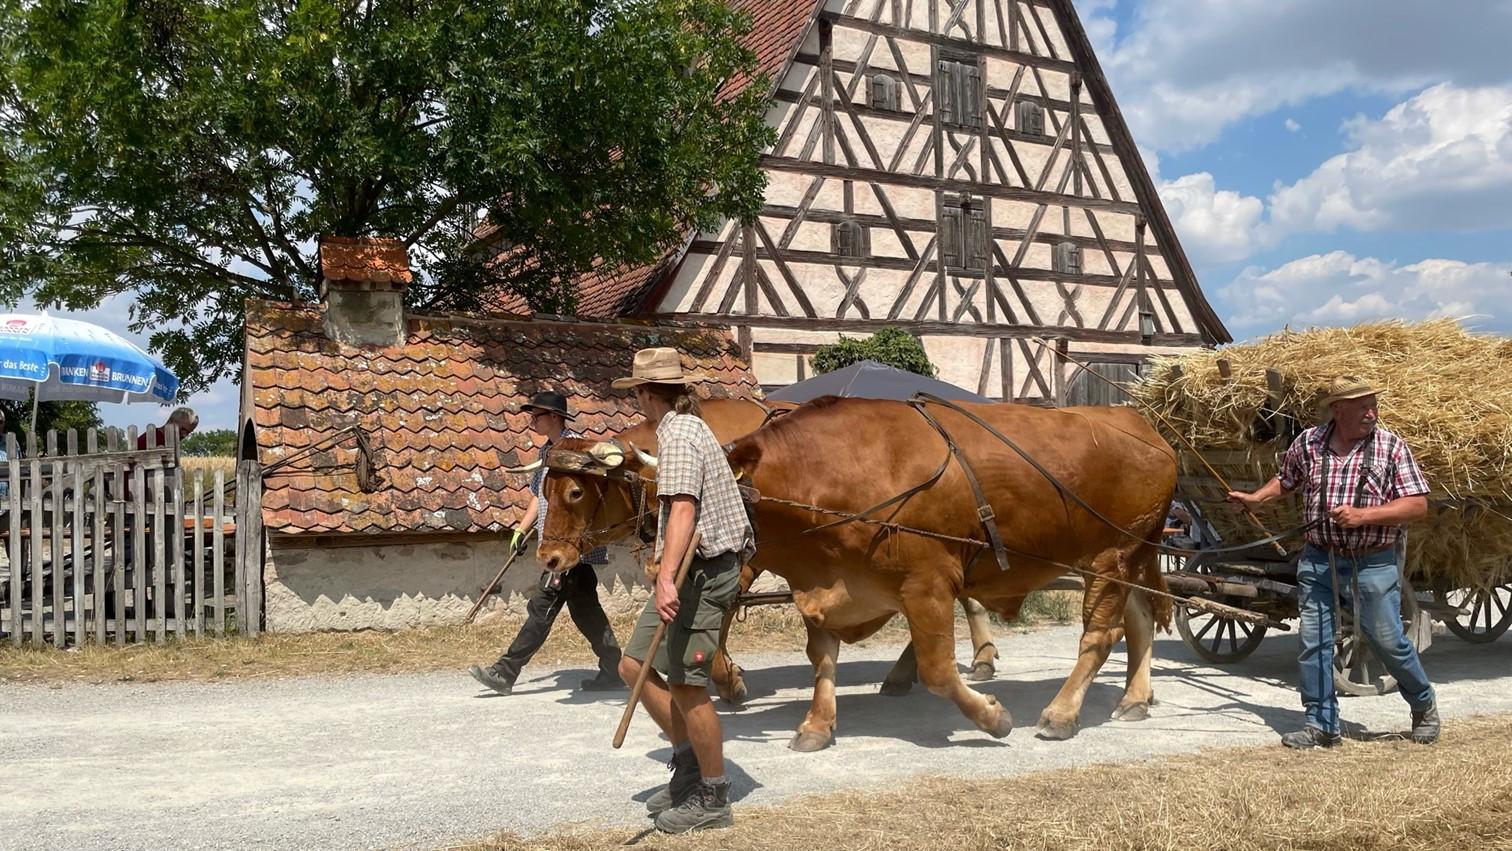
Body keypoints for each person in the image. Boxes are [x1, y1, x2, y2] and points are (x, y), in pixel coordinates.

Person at [1228, 376, 1438, 749]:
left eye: (1373, 405)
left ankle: (1423, 705)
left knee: (1388, 642)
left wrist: (1363, 516)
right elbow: (1286, 479)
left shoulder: (1390, 447)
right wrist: (1258, 498)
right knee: (1314, 643)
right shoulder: (1308, 442)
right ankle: (1321, 724)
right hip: (1319, 560)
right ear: (1338, 410)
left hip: (1372, 563)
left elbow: (1417, 504)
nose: (1372, 413)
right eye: (1363, 406)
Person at [612, 347, 754, 835]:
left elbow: (684, 511)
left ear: (647, 394)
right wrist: (668, 572)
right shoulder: (678, 429)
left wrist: (666, 576)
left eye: (637, 394)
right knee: (633, 664)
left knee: (688, 684)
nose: (637, 403)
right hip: (686, 567)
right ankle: (689, 770)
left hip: (706, 570)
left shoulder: (680, 436)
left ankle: (713, 796)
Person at [468, 390, 623, 696]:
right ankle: (614, 669)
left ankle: (504, 671)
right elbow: (540, 499)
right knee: (586, 612)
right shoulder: (545, 453)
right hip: (556, 545)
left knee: (541, 608)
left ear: (554, 417)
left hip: (569, 547)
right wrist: (521, 530)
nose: (531, 421)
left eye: (536, 416)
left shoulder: (578, 449)